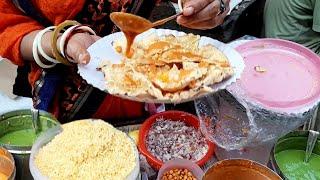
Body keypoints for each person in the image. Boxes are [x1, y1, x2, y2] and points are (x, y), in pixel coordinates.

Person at [0, 0, 229, 125]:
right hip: (76, 98)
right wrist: (59, 42)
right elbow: (7, 25)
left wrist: (212, 5)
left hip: (160, 68)